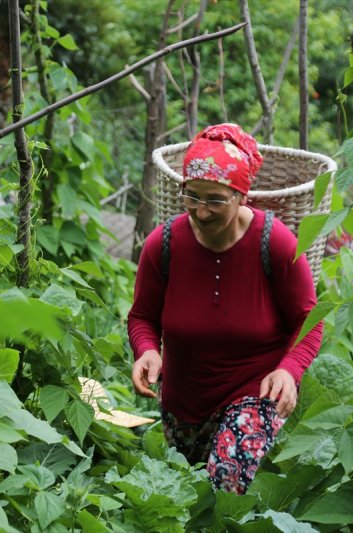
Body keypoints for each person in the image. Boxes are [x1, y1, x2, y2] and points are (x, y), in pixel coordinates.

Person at [127, 123, 323, 494]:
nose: (201, 212)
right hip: (183, 403)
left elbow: (309, 320)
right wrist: (147, 350)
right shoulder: (164, 244)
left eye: (215, 200)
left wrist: (289, 370)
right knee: (189, 496)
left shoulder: (275, 243)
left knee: (225, 479)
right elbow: (142, 316)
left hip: (254, 392)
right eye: (193, 197)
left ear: (241, 196)